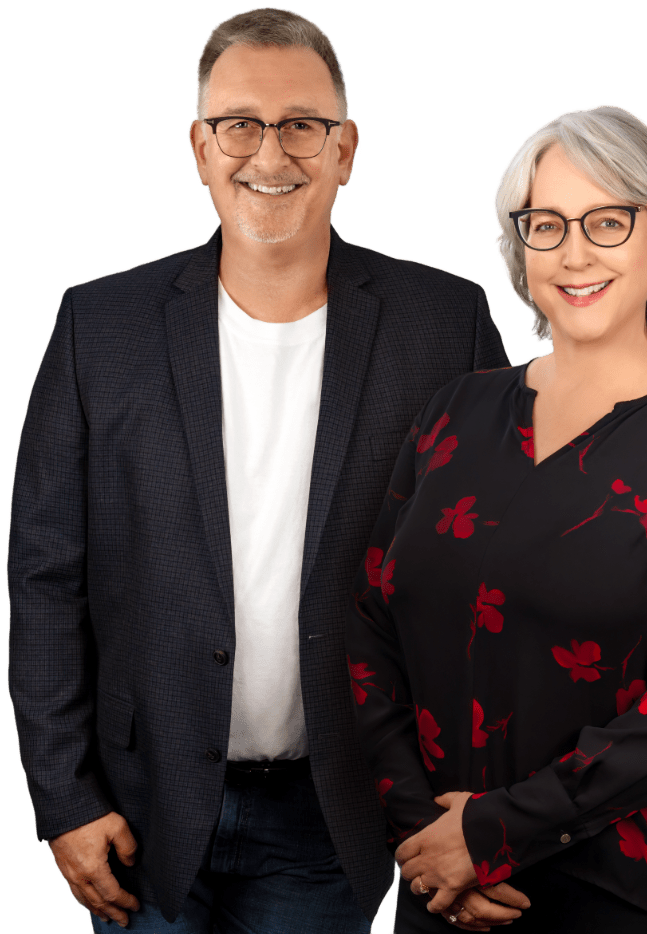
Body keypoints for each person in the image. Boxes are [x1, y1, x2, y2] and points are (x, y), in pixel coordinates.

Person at [6, 7, 511, 933]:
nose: (268, 153)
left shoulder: (442, 323)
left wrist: (476, 795)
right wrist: (63, 798)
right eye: (239, 123)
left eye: (301, 124)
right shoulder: (98, 326)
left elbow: (486, 573)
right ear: (200, 148)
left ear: (347, 148)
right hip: (137, 806)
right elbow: (44, 576)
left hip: (337, 809)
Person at [346, 103, 647, 933]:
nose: (575, 251)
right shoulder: (454, 410)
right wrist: (424, 832)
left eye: (608, 220)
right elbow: (371, 623)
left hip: (634, 894)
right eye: (545, 225)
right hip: (443, 887)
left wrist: (491, 833)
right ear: (519, 250)